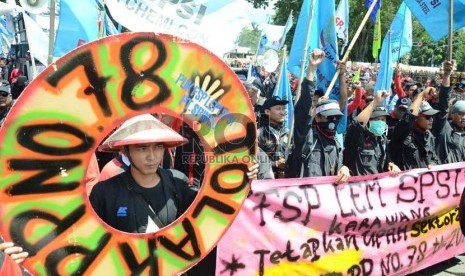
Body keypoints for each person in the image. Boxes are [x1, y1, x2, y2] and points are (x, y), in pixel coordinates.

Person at [89, 114, 258, 233]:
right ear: (125, 151)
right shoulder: (104, 193)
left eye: (158, 147)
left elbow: (210, 213)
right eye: (141, 148)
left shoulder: (178, 182)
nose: (152, 156)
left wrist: (241, 179)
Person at [285, 49, 350, 183]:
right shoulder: (307, 137)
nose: (333, 121)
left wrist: (344, 169)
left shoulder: (337, 146)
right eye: (329, 117)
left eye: (336, 117)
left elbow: (342, 100)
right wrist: (312, 68)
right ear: (317, 117)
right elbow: (303, 108)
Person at [343, 91, 401, 176]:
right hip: (357, 186)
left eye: (383, 119)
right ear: (367, 121)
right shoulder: (357, 136)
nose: (380, 122)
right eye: (376, 119)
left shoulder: (382, 139)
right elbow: (357, 124)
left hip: (375, 186)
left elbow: (385, 159)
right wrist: (375, 102)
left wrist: (390, 164)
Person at [389, 88, 440, 170]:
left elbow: (433, 157)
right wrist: (421, 95)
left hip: (422, 181)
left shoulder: (428, 135)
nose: (431, 120)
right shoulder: (402, 133)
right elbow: (408, 118)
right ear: (416, 117)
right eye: (427, 117)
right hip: (403, 180)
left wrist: (432, 164)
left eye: (432, 117)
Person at [433, 60, 465, 164]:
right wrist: (446, 76)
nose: (464, 117)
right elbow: (443, 105)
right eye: (460, 114)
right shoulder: (444, 128)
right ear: (452, 114)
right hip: (442, 177)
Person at [258, 96, 289, 178]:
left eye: (283, 108)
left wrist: (287, 163)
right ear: (267, 112)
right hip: (267, 181)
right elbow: (253, 159)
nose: (283, 112)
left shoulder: (288, 133)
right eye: (278, 109)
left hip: (287, 181)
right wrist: (275, 164)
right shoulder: (260, 134)